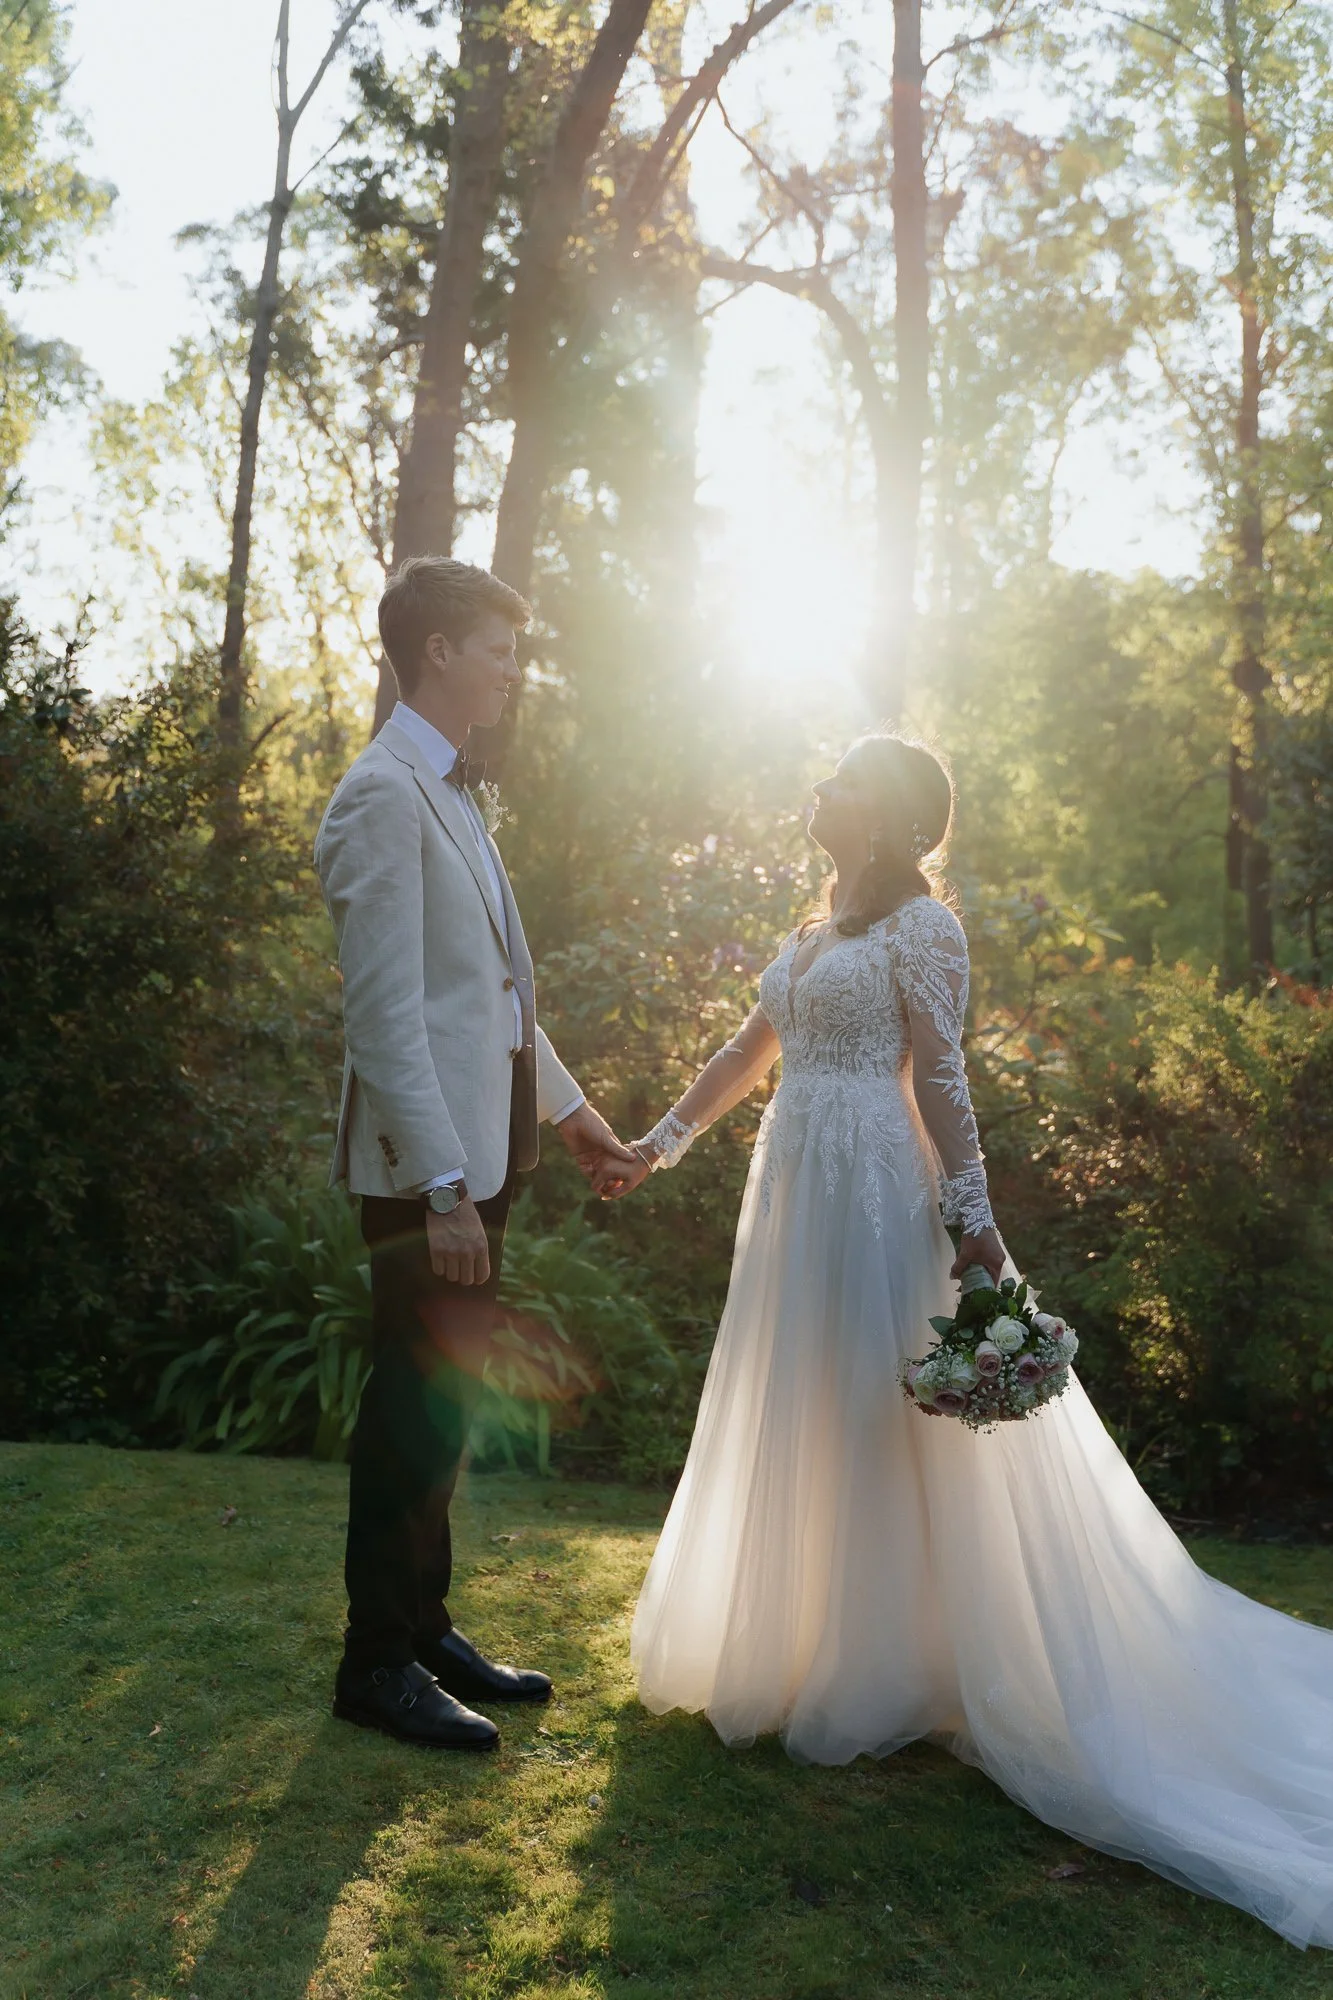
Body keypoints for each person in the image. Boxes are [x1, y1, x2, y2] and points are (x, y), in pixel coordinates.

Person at [611, 732, 1333, 1951]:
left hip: (872, 1195)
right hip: (792, 1197)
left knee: (878, 1414)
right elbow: (747, 1049)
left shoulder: (923, 929)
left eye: (845, 779)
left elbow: (940, 1077)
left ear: (893, 816)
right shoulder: (812, 927)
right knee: (801, 1405)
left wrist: (975, 1223)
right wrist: (657, 1146)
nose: (821, 788)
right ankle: (798, 1643)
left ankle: (888, 1661)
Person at [314, 556, 635, 1752]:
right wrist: (440, 1184)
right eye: (498, 648)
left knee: (441, 1408)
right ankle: (374, 1664)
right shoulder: (380, 793)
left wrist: (571, 1112)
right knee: (408, 1412)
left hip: (484, 1157)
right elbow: (385, 1016)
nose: (513, 668)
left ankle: (424, 1627)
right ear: (438, 650)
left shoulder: (449, 786)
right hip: (427, 1172)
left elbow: (483, 995)